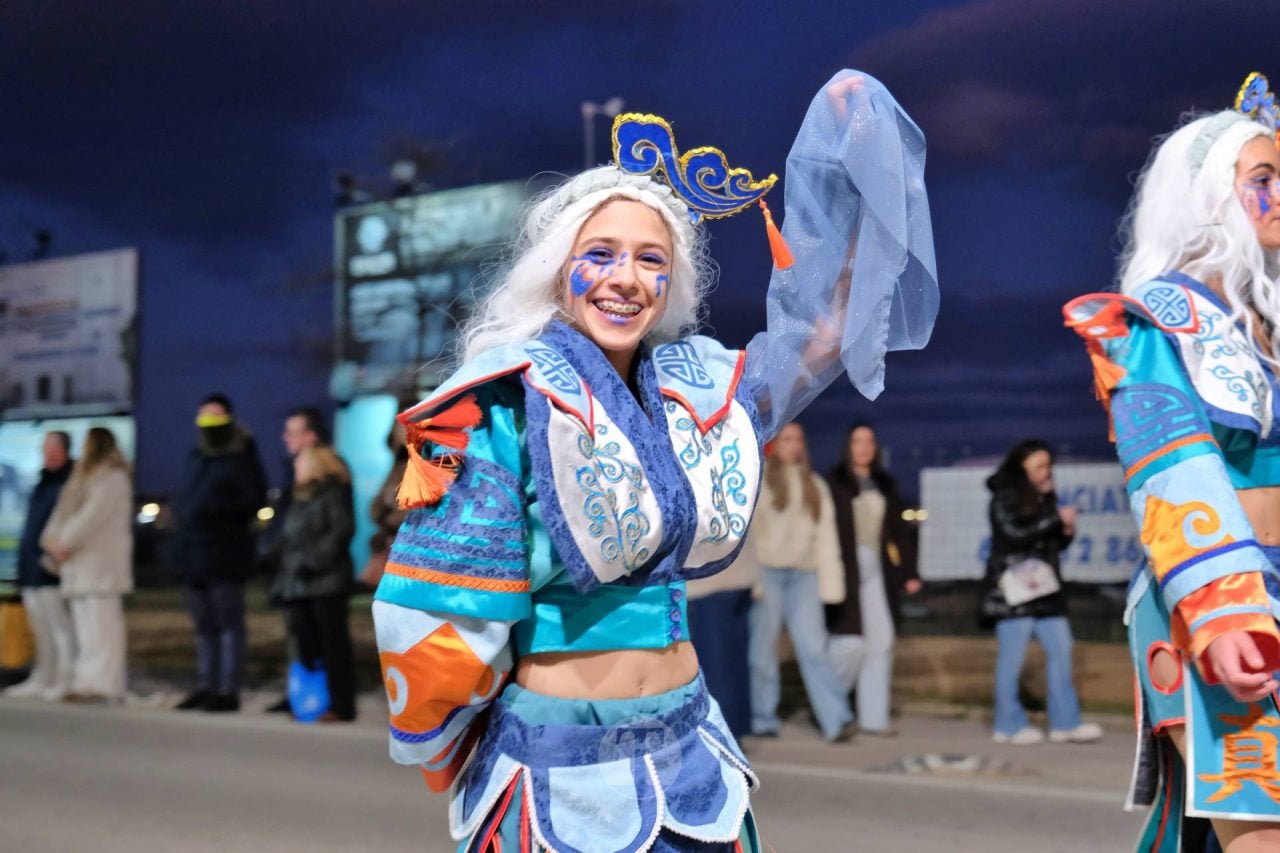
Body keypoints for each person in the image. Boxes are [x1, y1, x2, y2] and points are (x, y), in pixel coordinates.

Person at [371, 70, 936, 851]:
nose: (626, 279)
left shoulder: (694, 390)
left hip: (693, 754)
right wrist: (455, 745)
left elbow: (823, 333)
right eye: (600, 254)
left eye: (650, 260)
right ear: (557, 269)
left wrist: (857, 154)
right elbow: (436, 616)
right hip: (558, 776)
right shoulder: (503, 404)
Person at [1065, 72, 1280, 851]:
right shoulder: (1156, 321)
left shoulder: (1272, 326)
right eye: (1262, 178)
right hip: (1214, 600)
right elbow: (1172, 469)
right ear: (1207, 199)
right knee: (1262, 833)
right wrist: (1227, 613)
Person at [979, 439, 1100, 745]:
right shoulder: (1003, 496)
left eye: (1048, 465)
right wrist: (1054, 518)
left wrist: (1066, 531)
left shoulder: (1044, 496)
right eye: (1039, 466)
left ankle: (1065, 722)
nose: (1046, 472)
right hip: (1014, 590)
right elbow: (1012, 535)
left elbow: (1050, 545)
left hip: (1046, 590)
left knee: (1062, 649)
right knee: (1012, 657)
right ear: (1022, 468)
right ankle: (1008, 725)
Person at [747, 422, 853, 742]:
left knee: (814, 649)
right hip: (768, 573)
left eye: (798, 440)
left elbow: (826, 539)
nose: (793, 445)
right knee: (762, 654)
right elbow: (751, 536)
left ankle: (837, 720)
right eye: (786, 439)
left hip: (805, 577)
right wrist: (754, 581)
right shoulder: (761, 482)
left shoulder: (815, 486)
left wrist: (832, 588)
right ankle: (763, 718)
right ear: (776, 444)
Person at [171, 393, 267, 713]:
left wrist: (216, 508)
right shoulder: (197, 456)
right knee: (203, 625)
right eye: (203, 417)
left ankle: (228, 689)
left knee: (228, 623)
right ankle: (205, 684)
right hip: (193, 554)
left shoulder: (241, 455)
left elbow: (254, 500)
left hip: (226, 553)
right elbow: (185, 502)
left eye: (214, 416)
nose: (208, 423)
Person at [825, 422, 921, 736]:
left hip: (876, 569)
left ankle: (874, 718)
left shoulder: (884, 483)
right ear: (848, 446)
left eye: (869, 442)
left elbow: (899, 534)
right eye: (857, 441)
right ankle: (830, 705)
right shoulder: (835, 482)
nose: (864, 447)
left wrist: (909, 572)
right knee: (850, 643)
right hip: (845, 569)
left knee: (881, 640)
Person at [40, 427, 134, 703]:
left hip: (100, 564)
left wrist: (63, 543)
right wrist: (53, 541)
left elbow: (91, 518)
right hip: (79, 564)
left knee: (103, 627)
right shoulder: (81, 479)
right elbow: (64, 513)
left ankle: (106, 684)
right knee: (86, 629)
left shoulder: (113, 478)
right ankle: (86, 681)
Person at [262, 405, 342, 714]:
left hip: (316, 573)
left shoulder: (330, 474)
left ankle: (326, 700)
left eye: (292, 431)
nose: (285, 437)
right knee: (298, 635)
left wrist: (313, 559)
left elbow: (339, 528)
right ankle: (298, 694)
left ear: (310, 435)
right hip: (292, 570)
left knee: (324, 639)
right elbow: (285, 522)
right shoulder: (293, 471)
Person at [271, 446, 357, 722]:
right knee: (308, 644)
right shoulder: (299, 498)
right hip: (299, 581)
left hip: (326, 580)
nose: (296, 468)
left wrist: (314, 560)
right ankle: (311, 700)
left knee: (333, 646)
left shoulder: (333, 493)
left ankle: (341, 704)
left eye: (300, 464)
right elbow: (289, 536)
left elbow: (341, 530)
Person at [6, 432, 75, 700]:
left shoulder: (67, 483)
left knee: (59, 628)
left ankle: (65, 677)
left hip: (50, 568)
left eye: (47, 446)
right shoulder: (44, 482)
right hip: (31, 567)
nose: (43, 451)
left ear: (61, 449)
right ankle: (43, 675)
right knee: (40, 629)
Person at [686, 536, 758, 740]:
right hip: (740, 575)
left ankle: (723, 735)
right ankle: (737, 729)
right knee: (735, 663)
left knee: (715, 667)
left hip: (709, 581)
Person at [360, 418, 408, 590]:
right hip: (391, 542)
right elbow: (379, 501)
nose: (401, 432)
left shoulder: (427, 463)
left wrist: (391, 520)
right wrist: (379, 514)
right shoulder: (398, 464)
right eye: (398, 427)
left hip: (410, 545)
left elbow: (421, 505)